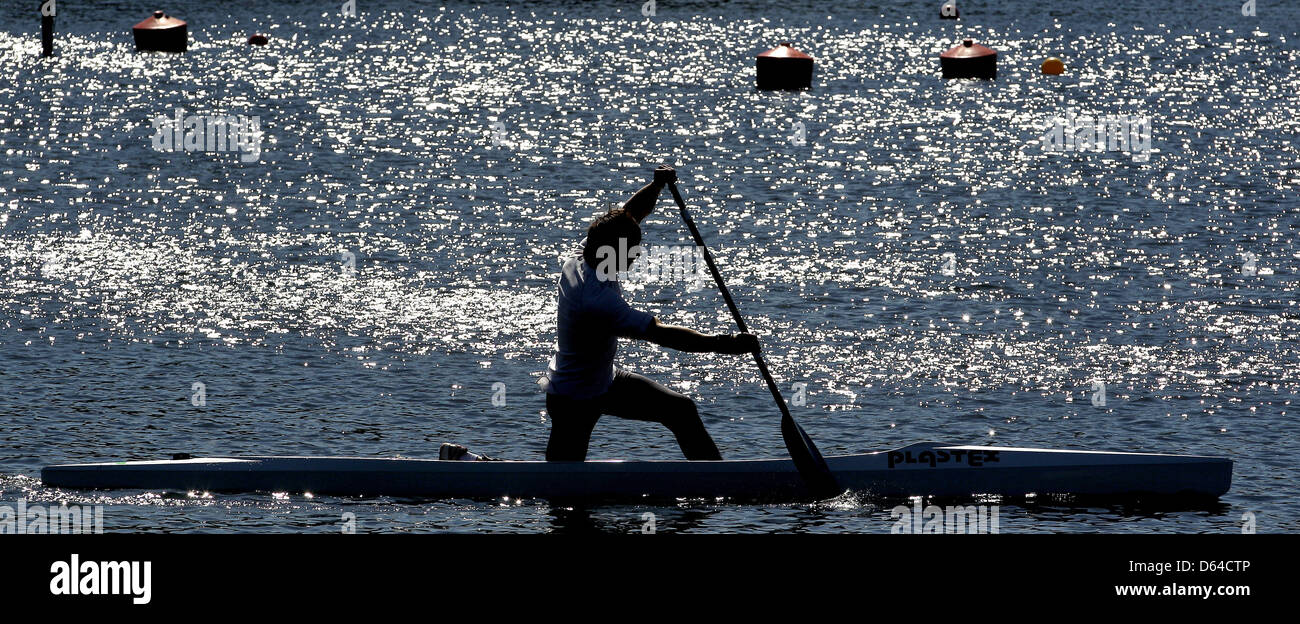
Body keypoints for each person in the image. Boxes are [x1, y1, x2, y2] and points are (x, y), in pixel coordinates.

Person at [540, 165, 758, 461]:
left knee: (681, 410)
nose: (637, 255)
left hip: (605, 380)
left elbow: (631, 212)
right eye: (632, 250)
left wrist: (657, 185)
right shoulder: (596, 300)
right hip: (574, 397)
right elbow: (660, 333)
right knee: (564, 490)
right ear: (612, 250)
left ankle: (716, 479)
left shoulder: (583, 254)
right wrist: (724, 344)